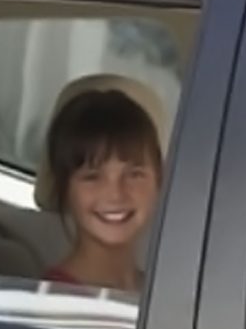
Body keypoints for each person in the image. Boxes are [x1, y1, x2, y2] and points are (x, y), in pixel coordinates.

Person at [43, 89, 162, 291]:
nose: (116, 194)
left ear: (160, 178)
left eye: (134, 174)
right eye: (92, 177)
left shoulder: (162, 293)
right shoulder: (53, 302)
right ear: (63, 188)